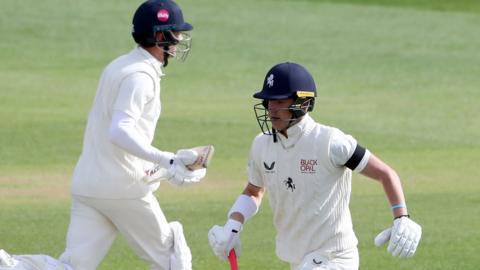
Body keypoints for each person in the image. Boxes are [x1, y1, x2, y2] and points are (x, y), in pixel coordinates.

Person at [0, 1, 204, 269]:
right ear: (158, 36)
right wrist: (167, 161)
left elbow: (117, 145)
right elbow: (120, 131)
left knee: (73, 266)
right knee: (172, 260)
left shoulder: (121, 64)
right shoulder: (141, 76)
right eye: (175, 33)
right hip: (123, 189)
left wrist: (166, 168)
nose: (178, 39)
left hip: (89, 186)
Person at [208, 62, 422, 270]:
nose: (271, 108)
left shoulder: (330, 142)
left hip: (335, 257)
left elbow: (385, 173)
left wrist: (401, 216)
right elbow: (254, 191)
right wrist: (233, 225)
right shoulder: (261, 144)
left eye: (279, 101)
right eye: (268, 101)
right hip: (299, 259)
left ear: (303, 103)